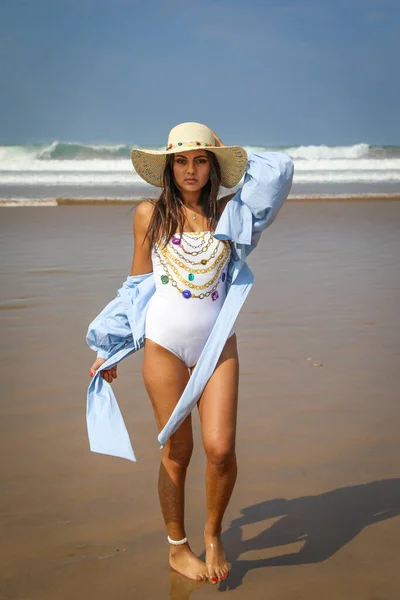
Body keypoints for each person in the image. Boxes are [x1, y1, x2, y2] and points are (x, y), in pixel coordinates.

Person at [87, 122, 294, 584]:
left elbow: (279, 172)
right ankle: (178, 547)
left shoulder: (230, 214)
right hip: (163, 346)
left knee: (220, 449)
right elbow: (136, 286)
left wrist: (225, 149)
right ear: (168, 166)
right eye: (181, 160)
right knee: (177, 451)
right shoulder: (149, 214)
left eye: (201, 160)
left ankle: (213, 532)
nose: (191, 169)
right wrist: (111, 347)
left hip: (217, 347)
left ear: (214, 165)